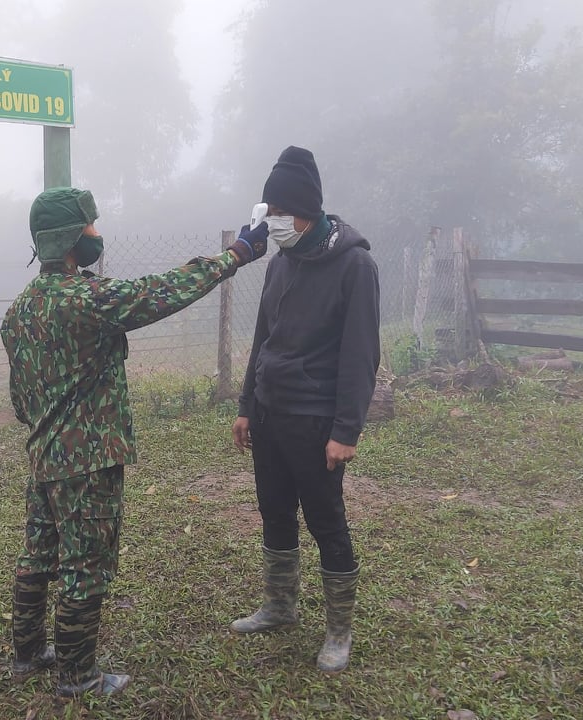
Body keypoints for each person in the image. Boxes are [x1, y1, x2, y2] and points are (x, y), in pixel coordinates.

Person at [1, 186, 269, 697]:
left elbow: (20, 400)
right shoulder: (86, 301)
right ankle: (78, 676)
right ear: (70, 238)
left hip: (43, 458)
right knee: (86, 566)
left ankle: (28, 651)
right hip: (88, 462)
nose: (98, 235)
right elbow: (161, 291)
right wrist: (238, 254)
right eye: (91, 228)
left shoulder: (19, 311)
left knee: (38, 555)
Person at [230, 146, 380, 674]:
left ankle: (339, 631)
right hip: (270, 416)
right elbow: (262, 339)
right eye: (266, 211)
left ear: (303, 212)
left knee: (326, 522)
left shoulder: (355, 266)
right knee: (274, 511)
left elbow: (361, 355)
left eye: (276, 211)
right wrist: (248, 404)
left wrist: (346, 429)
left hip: (316, 423)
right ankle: (280, 606)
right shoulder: (281, 264)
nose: (269, 221)